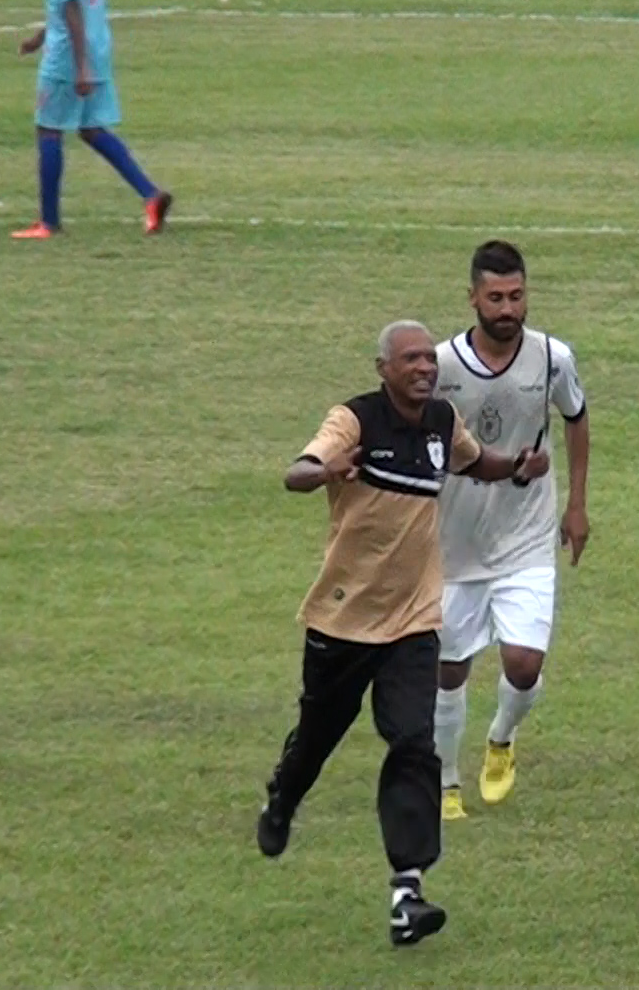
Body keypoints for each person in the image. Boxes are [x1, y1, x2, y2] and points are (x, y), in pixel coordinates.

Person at [256, 321, 549, 947]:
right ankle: (284, 797)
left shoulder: (443, 422)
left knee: (415, 742)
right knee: (318, 735)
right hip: (344, 620)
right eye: (409, 359)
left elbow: (477, 463)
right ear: (383, 367)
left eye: (426, 359)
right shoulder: (354, 420)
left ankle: (407, 891)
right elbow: (298, 472)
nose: (422, 367)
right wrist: (322, 469)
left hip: (415, 621)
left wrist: (519, 469)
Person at [432, 241, 590, 822]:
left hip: (526, 538)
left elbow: (575, 417)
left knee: (524, 664)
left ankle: (501, 738)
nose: (507, 309)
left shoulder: (552, 357)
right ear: (472, 297)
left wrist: (576, 505)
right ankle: (446, 782)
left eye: (516, 296)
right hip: (455, 542)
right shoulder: (442, 366)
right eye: (495, 297)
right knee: (449, 669)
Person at [12, 0, 173, 240]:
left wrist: (79, 65)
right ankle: (150, 195)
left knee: (49, 129)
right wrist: (41, 35)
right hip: (97, 44)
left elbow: (71, 5)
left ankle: (48, 222)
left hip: (69, 55)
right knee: (90, 128)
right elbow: (79, 0)